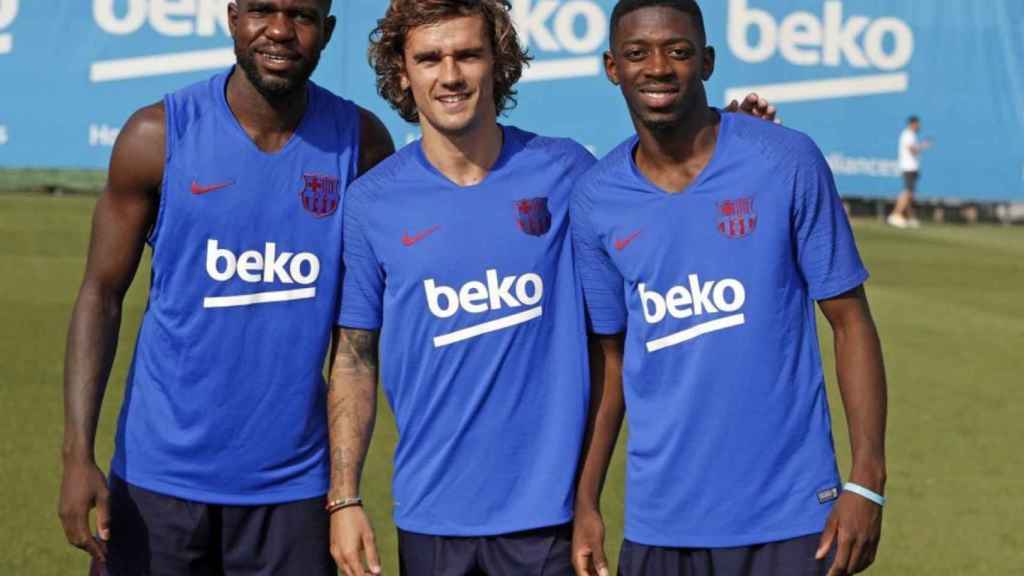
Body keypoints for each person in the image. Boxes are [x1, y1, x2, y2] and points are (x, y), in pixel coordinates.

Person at [57, 0, 393, 574]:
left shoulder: (361, 144)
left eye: (303, 16)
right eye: (263, 10)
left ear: (328, 30)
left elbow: (359, 335)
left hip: (293, 489)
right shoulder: (156, 135)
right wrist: (76, 453)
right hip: (157, 479)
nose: (281, 31)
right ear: (233, 17)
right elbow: (100, 294)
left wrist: (344, 490)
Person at [570, 2, 888, 576]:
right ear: (612, 67)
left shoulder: (786, 160)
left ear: (707, 61)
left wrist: (867, 480)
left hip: (791, 519)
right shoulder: (596, 199)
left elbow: (850, 321)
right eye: (638, 53)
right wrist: (586, 502)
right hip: (660, 524)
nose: (659, 67)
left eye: (679, 50)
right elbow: (610, 362)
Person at [887, 115, 932, 228]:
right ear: (912, 124)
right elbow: (912, 150)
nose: (919, 126)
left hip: (911, 167)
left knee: (910, 194)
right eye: (917, 124)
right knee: (907, 192)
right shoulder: (908, 135)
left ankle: (910, 218)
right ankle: (895, 215)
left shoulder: (911, 135)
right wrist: (924, 145)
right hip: (908, 167)